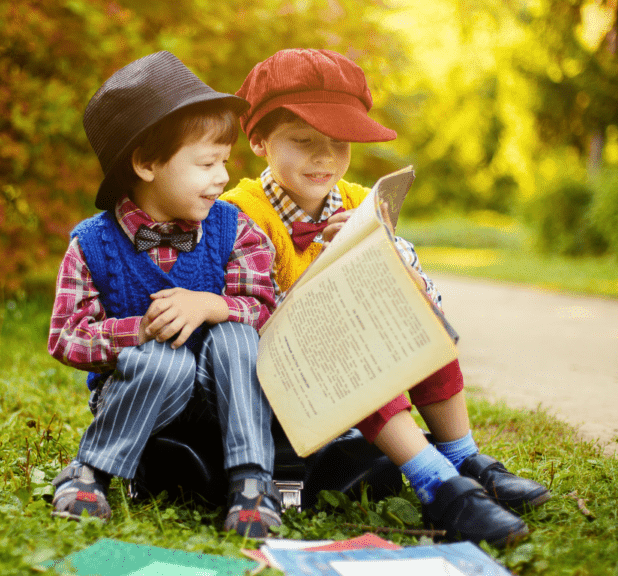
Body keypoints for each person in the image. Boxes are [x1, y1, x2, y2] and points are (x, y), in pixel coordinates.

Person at [221, 48, 551, 547]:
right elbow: (251, 318)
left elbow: (413, 282)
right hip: (274, 377)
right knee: (348, 340)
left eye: (338, 143)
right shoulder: (239, 214)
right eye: (303, 141)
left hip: (343, 368)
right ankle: (436, 483)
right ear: (261, 140)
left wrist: (380, 257)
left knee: (418, 312)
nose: (324, 157)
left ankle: (463, 456)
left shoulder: (359, 202)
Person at [47, 51, 282, 538]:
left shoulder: (235, 228)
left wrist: (212, 305)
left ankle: (252, 484)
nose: (222, 176)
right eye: (206, 163)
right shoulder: (93, 244)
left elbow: (264, 309)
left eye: (224, 161)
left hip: (226, 393)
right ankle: (92, 472)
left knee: (236, 337)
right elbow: (67, 337)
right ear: (147, 163)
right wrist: (139, 332)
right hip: (147, 396)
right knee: (163, 358)